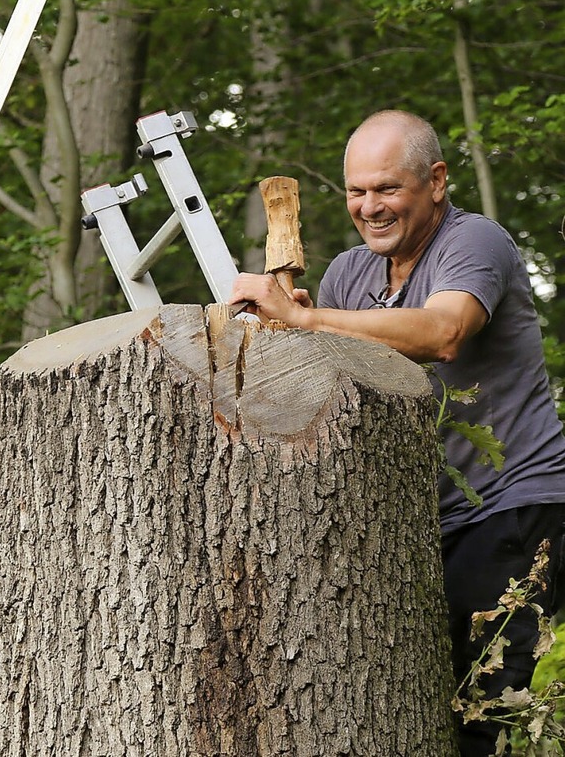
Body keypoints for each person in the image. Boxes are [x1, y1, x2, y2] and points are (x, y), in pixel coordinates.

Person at [229, 110, 565, 756]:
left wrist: (308, 325)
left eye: (388, 188)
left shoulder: (476, 243)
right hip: (417, 524)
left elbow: (442, 332)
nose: (370, 206)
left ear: (436, 181)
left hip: (512, 507)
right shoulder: (349, 274)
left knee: (479, 714)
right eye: (357, 191)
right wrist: (297, 331)